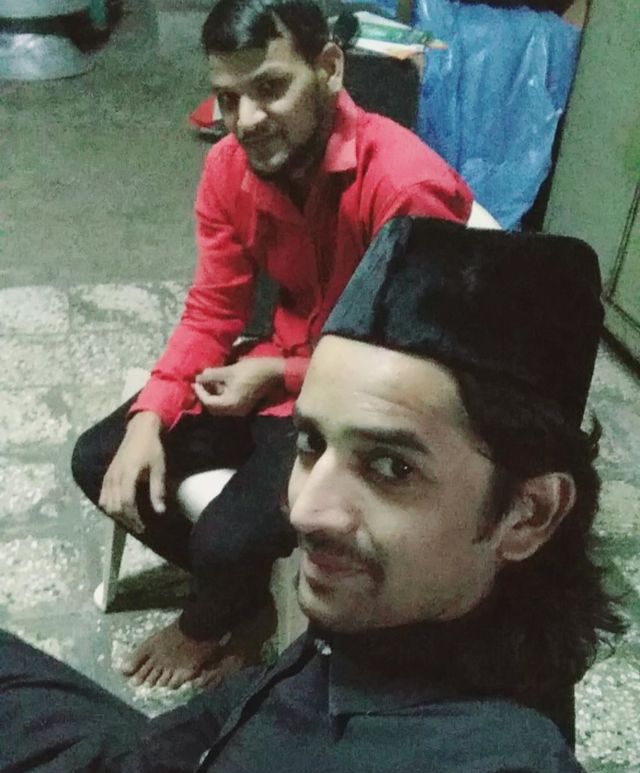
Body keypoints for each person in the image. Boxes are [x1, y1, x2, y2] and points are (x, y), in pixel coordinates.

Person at [0, 219, 623, 773]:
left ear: (528, 514)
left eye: (391, 467)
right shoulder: (391, 616)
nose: (305, 511)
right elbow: (181, 745)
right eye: (310, 443)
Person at [70, 0, 489, 691]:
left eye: (270, 87)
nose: (246, 120)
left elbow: (411, 364)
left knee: (226, 538)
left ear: (329, 68)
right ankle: (247, 596)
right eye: (228, 97)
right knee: (101, 459)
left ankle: (213, 619)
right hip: (279, 371)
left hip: (360, 406)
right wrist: (150, 415)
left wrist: (278, 373)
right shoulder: (228, 169)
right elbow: (213, 309)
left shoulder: (404, 186)